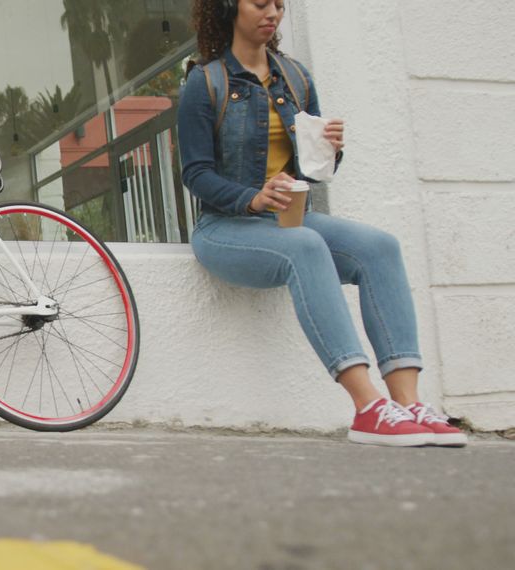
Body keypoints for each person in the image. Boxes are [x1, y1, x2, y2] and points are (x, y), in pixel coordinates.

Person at [178, 0, 467, 446]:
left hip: (289, 219)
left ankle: (407, 403)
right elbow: (195, 175)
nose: (272, 12)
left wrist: (330, 148)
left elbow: (312, 172)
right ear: (229, 8)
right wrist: (251, 198)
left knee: (380, 247)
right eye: (260, 3)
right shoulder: (205, 82)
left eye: (278, 3)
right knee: (307, 245)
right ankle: (368, 407)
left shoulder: (295, 77)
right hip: (224, 228)